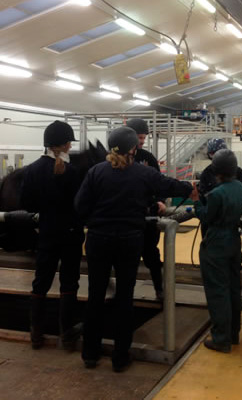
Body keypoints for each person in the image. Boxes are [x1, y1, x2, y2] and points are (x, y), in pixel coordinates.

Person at [75, 126, 192, 372]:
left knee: (95, 296)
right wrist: (189, 189)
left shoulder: (96, 172)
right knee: (124, 298)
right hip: (128, 241)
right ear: (133, 148)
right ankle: (119, 357)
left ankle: (90, 354)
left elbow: (80, 206)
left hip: (98, 240)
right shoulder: (142, 173)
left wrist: (98, 218)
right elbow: (168, 185)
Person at [20, 120, 85, 351]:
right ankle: (67, 334)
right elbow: (80, 205)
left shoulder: (33, 169)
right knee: (69, 283)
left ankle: (36, 334)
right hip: (70, 235)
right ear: (67, 145)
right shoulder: (74, 173)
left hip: (46, 233)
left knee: (41, 282)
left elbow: (27, 203)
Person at [191, 149, 242, 353]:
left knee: (217, 291)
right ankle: (233, 334)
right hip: (233, 241)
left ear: (217, 171)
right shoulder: (240, 188)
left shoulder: (216, 194)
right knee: (233, 288)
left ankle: (221, 340)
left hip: (216, 244)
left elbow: (206, 217)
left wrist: (196, 200)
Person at [126, 118, 166, 300]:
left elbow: (160, 184)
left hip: (147, 218)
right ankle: (126, 295)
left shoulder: (148, 159)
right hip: (127, 220)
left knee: (151, 255)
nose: (141, 142)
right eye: (139, 138)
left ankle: (160, 289)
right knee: (128, 260)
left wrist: (160, 201)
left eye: (143, 138)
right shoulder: (118, 159)